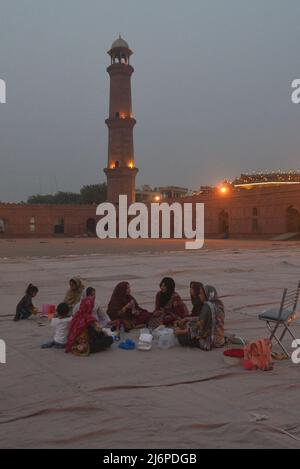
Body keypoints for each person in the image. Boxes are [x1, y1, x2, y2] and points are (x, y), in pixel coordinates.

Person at [174, 284, 225, 350]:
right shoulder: (219, 304)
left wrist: (181, 332)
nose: (199, 295)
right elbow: (204, 319)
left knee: (182, 338)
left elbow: (199, 327)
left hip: (211, 341)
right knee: (189, 324)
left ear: (206, 295)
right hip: (220, 339)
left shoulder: (207, 306)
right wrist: (188, 319)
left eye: (201, 293)